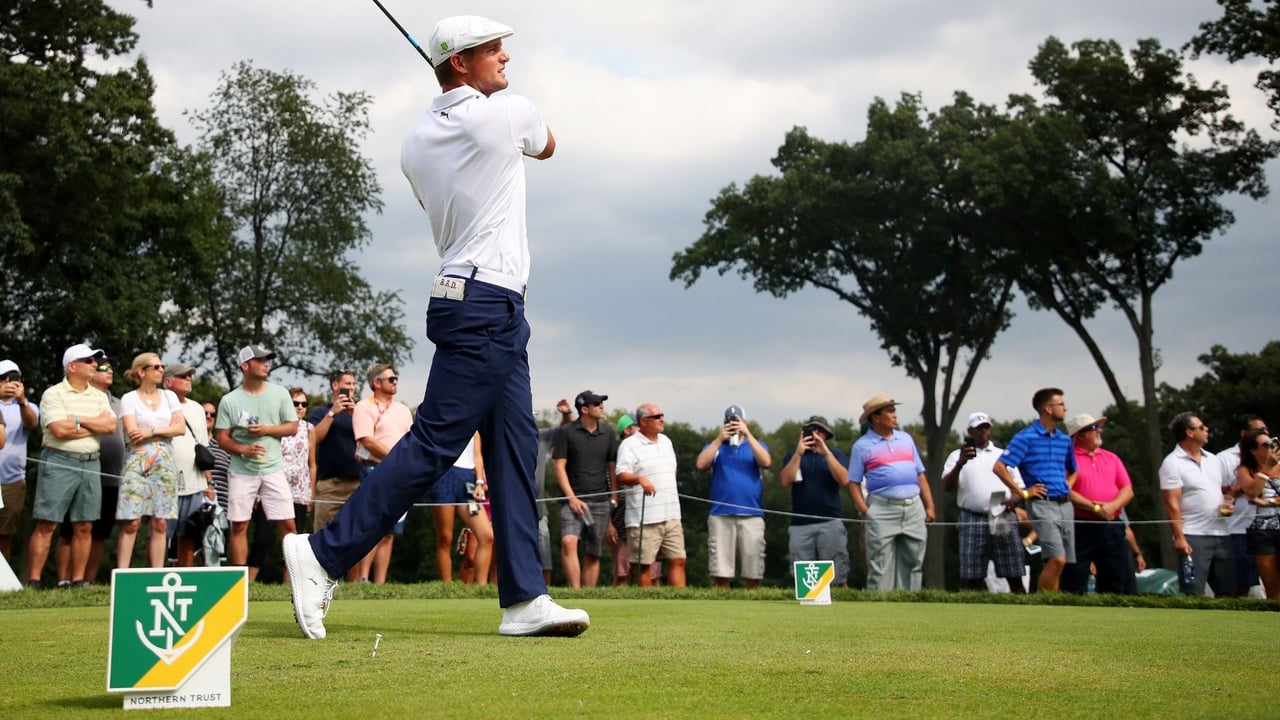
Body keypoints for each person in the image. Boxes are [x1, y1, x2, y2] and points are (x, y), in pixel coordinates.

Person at [283, 15, 588, 639]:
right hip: (487, 302)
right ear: (459, 63)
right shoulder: (509, 113)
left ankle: (524, 598)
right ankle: (322, 554)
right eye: (492, 50)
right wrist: (496, 106)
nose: (505, 57)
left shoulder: (415, 140)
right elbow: (550, 143)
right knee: (434, 444)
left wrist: (468, 96)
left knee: (511, 448)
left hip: (472, 298)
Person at [27, 344, 116, 588]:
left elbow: (110, 427)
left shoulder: (98, 396)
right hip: (58, 461)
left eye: (94, 361)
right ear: (72, 366)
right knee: (47, 523)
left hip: (91, 463)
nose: (94, 364)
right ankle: (34, 581)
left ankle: (78, 581)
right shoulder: (53, 394)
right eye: (88, 361)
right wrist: (92, 425)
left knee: (85, 525)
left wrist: (76, 420)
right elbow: (57, 429)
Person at [215, 345, 299, 568]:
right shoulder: (230, 401)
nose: (266, 364)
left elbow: (292, 426)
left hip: (273, 468)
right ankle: (241, 582)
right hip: (242, 472)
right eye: (260, 360)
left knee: (288, 525)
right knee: (239, 526)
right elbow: (222, 438)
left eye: (267, 360)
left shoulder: (280, 393)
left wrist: (266, 430)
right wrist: (243, 449)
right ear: (245, 366)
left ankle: (296, 575)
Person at [993, 388, 1077, 592]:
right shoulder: (1026, 437)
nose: (1065, 408)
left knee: (1059, 562)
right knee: (1057, 559)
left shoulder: (1064, 439)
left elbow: (1073, 470)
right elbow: (999, 467)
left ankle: (1052, 607)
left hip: (1065, 504)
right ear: (1048, 409)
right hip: (1042, 504)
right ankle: (1042, 604)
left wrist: (1068, 485)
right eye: (1061, 404)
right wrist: (1022, 493)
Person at [847, 395, 934, 591]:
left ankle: (909, 609)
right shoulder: (861, 446)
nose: (895, 415)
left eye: (894, 411)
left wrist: (929, 505)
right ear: (875, 418)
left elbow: (920, 475)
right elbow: (853, 482)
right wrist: (865, 510)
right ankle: (879, 613)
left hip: (913, 508)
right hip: (881, 508)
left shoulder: (906, 439)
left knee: (913, 562)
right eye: (890, 411)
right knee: (880, 566)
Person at [942, 411, 1026, 593]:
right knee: (972, 574)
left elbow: (1019, 488)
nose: (983, 432)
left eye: (986, 427)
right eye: (978, 428)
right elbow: (947, 486)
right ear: (970, 431)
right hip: (972, 516)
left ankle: (1022, 609)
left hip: (1002, 515)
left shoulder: (1002, 454)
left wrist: (1014, 500)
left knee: (1013, 570)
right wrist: (960, 463)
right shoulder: (957, 456)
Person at [114, 353, 184, 569]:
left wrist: (152, 431)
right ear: (141, 372)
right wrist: (164, 431)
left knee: (161, 522)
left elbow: (179, 428)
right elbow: (133, 432)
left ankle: (157, 573)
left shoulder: (170, 397)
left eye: (162, 366)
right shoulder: (129, 398)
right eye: (155, 367)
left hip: (165, 458)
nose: (161, 370)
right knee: (131, 521)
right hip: (137, 459)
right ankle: (122, 575)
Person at [1160, 411, 1235, 597]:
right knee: (1194, 592)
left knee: (1228, 591)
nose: (1207, 429)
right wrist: (1179, 537)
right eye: (1201, 427)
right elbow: (1171, 503)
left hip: (1222, 533)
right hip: (1193, 536)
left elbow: (1222, 491)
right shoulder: (1172, 463)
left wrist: (1228, 503)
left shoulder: (1214, 460)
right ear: (1189, 433)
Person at [696, 404, 771, 589]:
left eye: (737, 421)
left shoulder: (756, 444)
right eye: (730, 422)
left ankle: (754, 608)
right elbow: (701, 464)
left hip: (752, 514)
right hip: (721, 514)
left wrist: (748, 434)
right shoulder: (716, 446)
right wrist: (719, 439)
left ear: (745, 422)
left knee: (753, 571)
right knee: (720, 572)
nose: (733, 425)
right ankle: (722, 608)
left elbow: (766, 461)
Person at [353, 364, 415, 584]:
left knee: (390, 530)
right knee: (372, 526)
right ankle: (362, 578)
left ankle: (379, 583)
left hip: (399, 474)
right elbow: (366, 439)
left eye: (396, 378)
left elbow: (411, 439)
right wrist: (395, 458)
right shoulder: (363, 406)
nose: (395, 382)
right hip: (374, 469)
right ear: (376, 383)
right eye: (391, 379)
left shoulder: (403, 410)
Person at [1061, 413, 1135, 595]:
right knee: (1075, 577)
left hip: (1111, 524)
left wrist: (1111, 507)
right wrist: (1094, 507)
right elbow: (1065, 490)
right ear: (1079, 435)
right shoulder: (1068, 459)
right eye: (1093, 428)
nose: (1098, 431)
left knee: (1115, 576)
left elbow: (1127, 489)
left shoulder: (1112, 458)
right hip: (1080, 525)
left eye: (1098, 427)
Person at [552, 390, 618, 588]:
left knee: (593, 552)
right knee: (568, 543)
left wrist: (613, 498)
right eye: (597, 404)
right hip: (572, 502)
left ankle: (588, 595)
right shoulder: (567, 432)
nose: (602, 407)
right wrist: (571, 498)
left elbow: (612, 469)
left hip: (600, 501)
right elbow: (558, 466)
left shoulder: (608, 433)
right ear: (584, 409)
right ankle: (575, 590)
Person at [615, 404, 687, 587]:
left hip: (671, 514)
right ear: (644, 421)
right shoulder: (629, 445)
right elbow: (621, 474)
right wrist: (640, 478)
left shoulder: (666, 441)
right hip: (643, 518)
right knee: (643, 566)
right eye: (657, 416)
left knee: (678, 560)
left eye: (662, 415)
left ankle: (681, 605)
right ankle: (646, 605)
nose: (662, 419)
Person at [779, 415, 851, 587]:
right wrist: (798, 453)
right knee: (805, 580)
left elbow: (844, 479)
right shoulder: (794, 454)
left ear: (826, 435)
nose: (815, 434)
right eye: (812, 430)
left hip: (830, 521)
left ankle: (842, 607)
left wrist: (825, 452)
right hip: (800, 524)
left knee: (838, 577)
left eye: (820, 431)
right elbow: (785, 481)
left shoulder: (835, 454)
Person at [164, 363, 217, 567]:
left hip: (194, 482)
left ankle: (185, 577)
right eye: (183, 376)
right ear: (168, 381)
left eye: (189, 376)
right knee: (161, 532)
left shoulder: (196, 408)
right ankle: (154, 576)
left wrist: (209, 484)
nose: (189, 379)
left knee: (189, 535)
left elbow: (203, 448)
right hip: (166, 481)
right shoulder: (160, 404)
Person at [429, 432, 493, 584]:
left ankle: (481, 588)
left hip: (468, 481)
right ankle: (447, 586)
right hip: (444, 476)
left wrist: (479, 482)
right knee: (445, 538)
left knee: (487, 536)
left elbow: (477, 455)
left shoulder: (474, 424)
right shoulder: (440, 416)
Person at [308, 370, 361, 544]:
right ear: (335, 385)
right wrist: (332, 413)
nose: (351, 388)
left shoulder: (359, 413)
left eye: (353, 384)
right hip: (330, 484)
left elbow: (368, 441)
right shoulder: (320, 412)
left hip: (356, 483)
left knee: (354, 539)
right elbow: (314, 438)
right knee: (323, 536)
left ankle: (355, 573)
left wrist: (355, 417)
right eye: (347, 384)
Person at [1220, 414, 1269, 596]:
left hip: (1270, 528)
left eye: (1266, 431)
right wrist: (1239, 488)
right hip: (1239, 528)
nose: (1265, 435)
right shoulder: (1225, 458)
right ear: (1244, 433)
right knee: (1242, 583)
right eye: (1259, 431)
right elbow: (1217, 491)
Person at [0, 360, 38, 563]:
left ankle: (2, 585)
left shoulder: (27, 407)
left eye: (14, 378)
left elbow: (31, 423)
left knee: (4, 537)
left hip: (12, 481)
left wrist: (22, 400)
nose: (9, 382)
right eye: (4, 378)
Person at [1236, 428, 1280, 599]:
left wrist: (1266, 501)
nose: (1272, 447)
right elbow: (1253, 493)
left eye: (1273, 443)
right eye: (1266, 445)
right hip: (1261, 531)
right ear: (1254, 450)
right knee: (1272, 586)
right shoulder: (1245, 470)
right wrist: (1266, 469)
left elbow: (1257, 498)